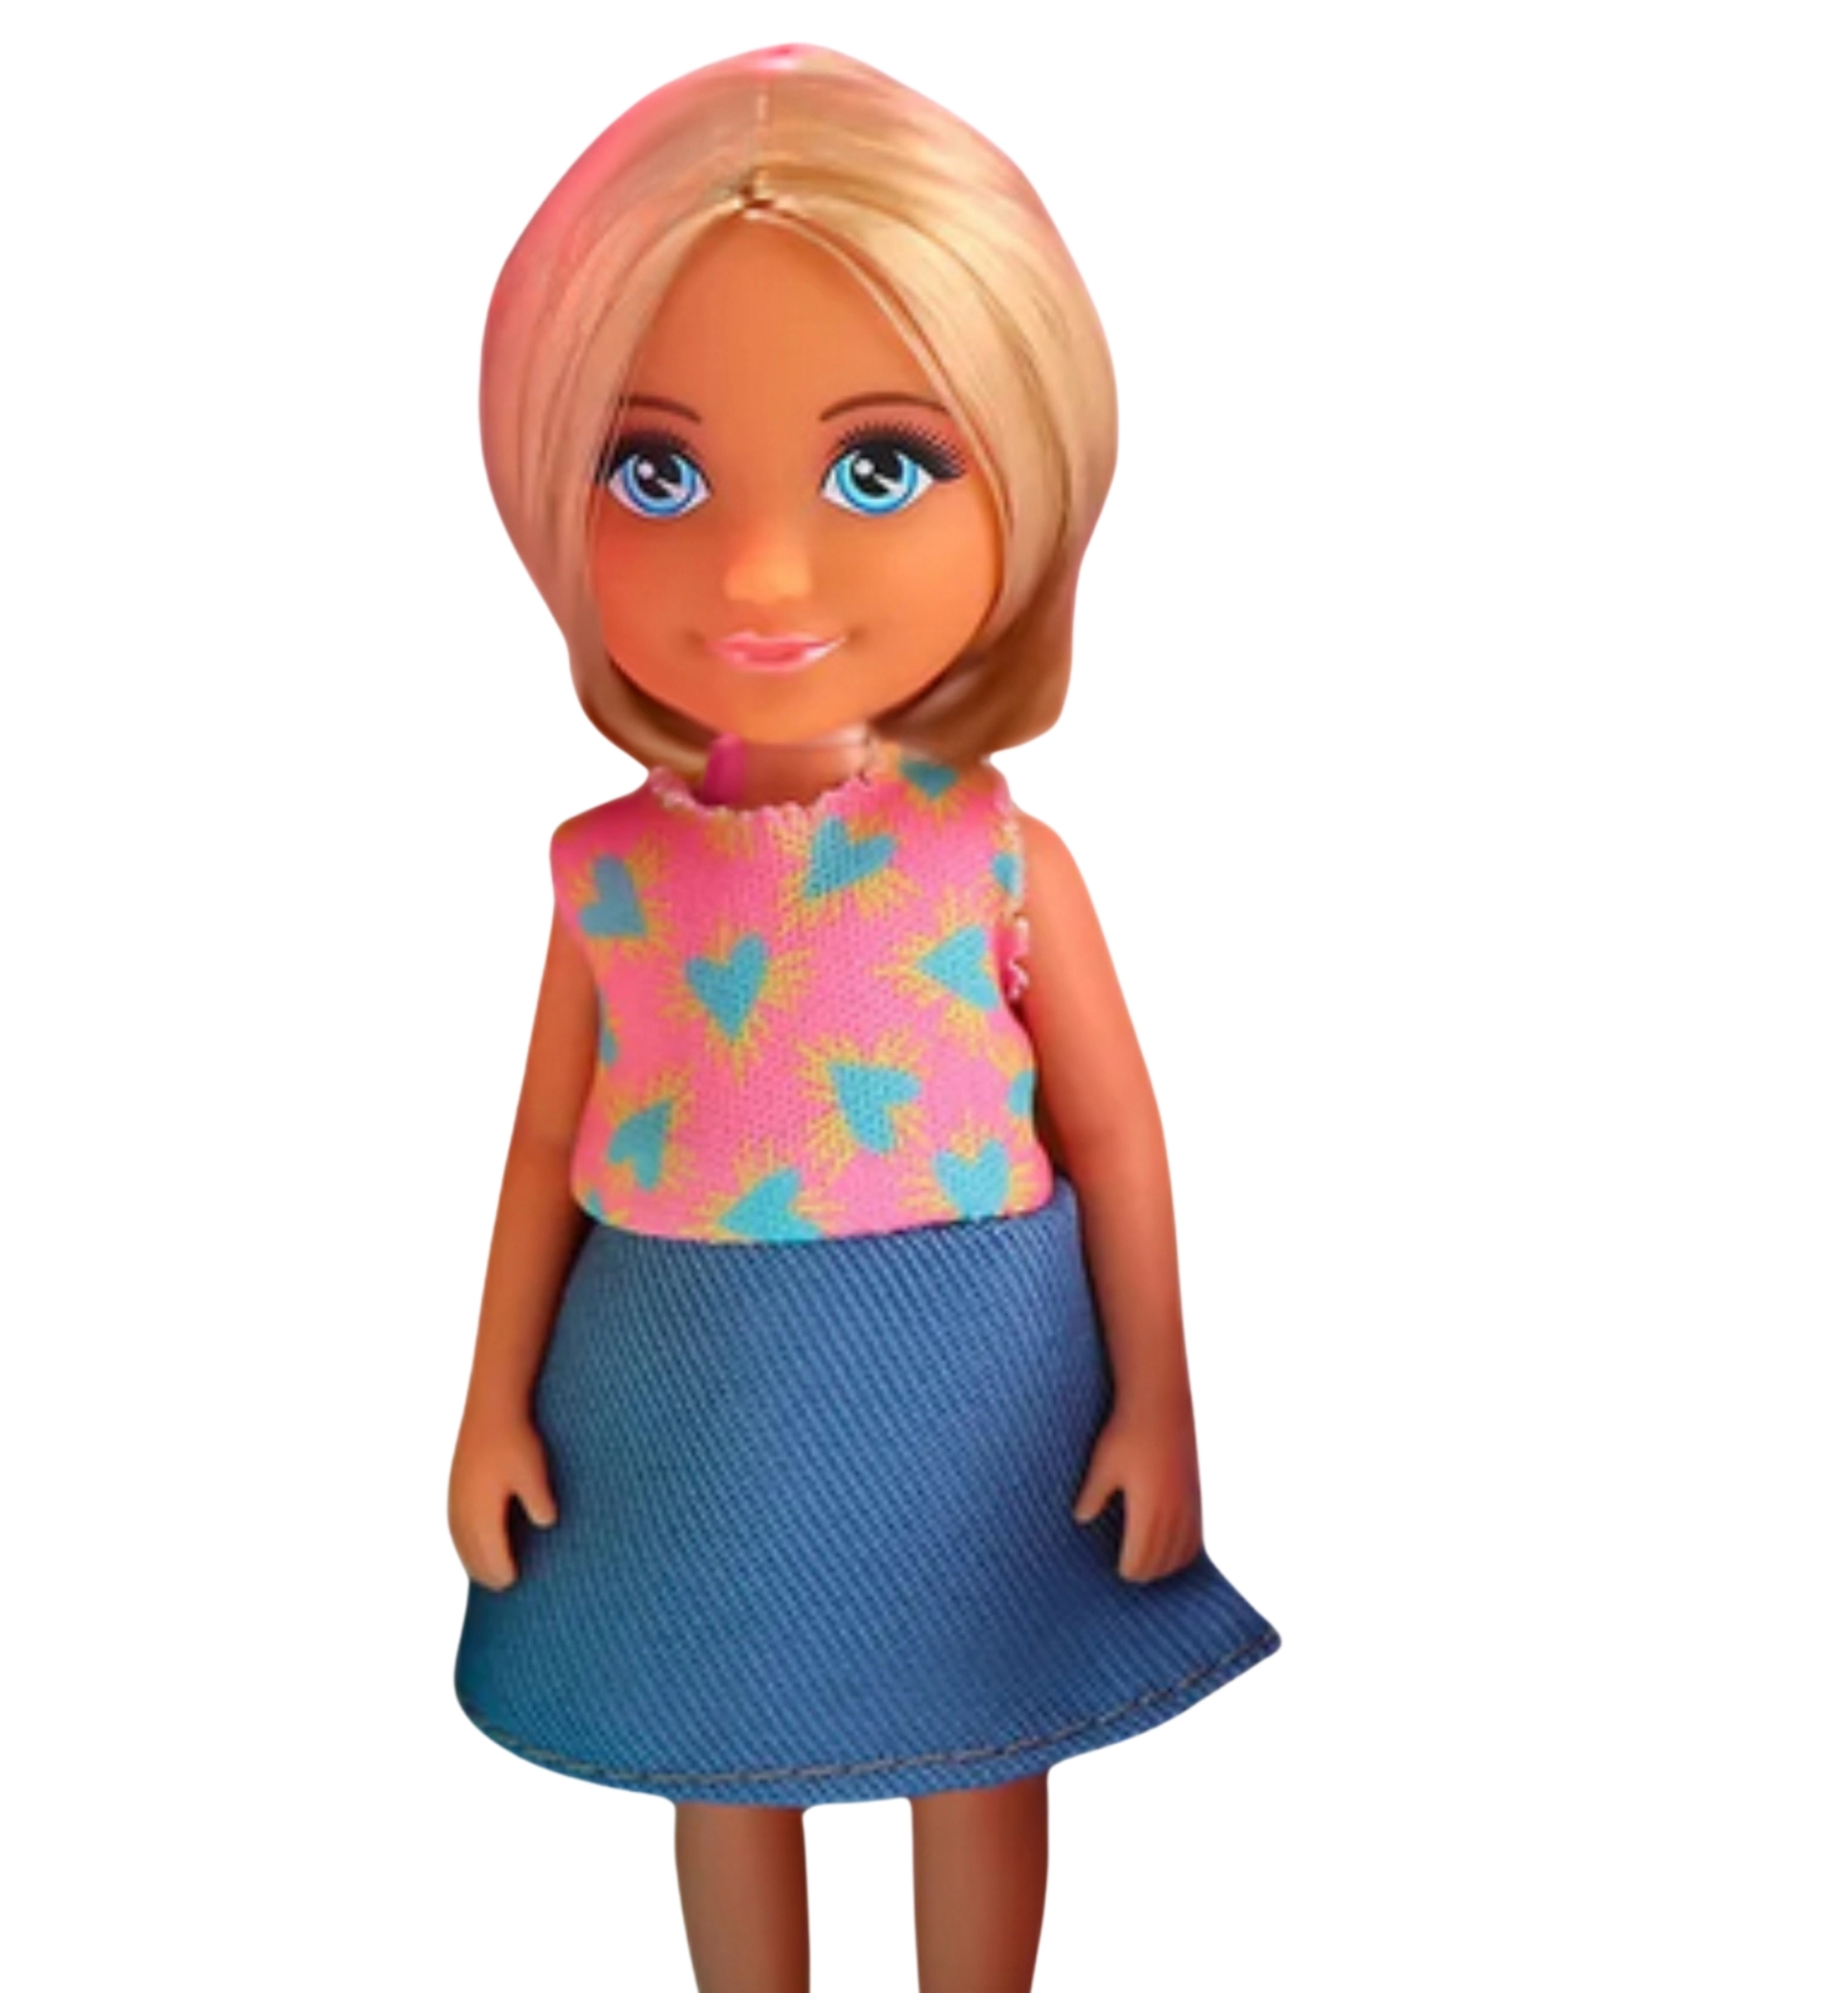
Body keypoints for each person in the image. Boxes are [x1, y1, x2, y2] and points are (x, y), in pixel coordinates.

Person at [449, 45, 1278, 1992]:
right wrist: (490, 1395)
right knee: (720, 1741)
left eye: (878, 467)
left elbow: (1115, 1135)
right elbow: (547, 1145)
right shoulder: (607, 873)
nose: (760, 568)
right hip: (681, 1373)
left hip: (971, 1372)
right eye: (654, 472)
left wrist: (1156, 1399)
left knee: (977, 1736)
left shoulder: (997, 858)